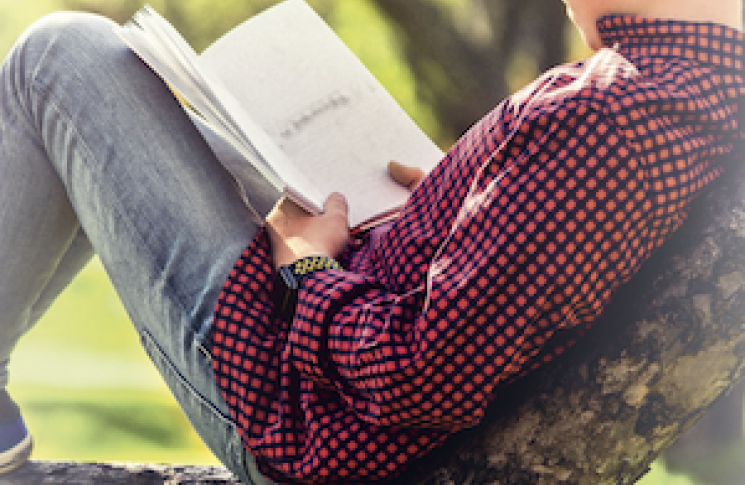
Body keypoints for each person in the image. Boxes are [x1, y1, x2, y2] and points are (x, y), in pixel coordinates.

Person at [1, 0, 743, 482]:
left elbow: (422, 375)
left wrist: (308, 267)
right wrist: (453, 208)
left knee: (62, 55)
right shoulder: (697, 91)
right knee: (148, 101)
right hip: (361, 361)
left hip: (308, 416)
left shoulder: (605, 117)